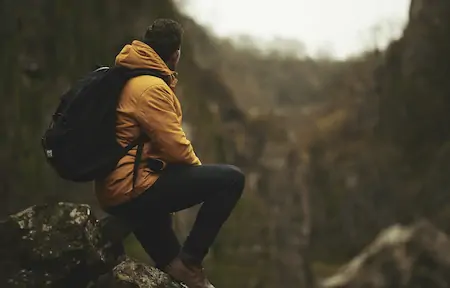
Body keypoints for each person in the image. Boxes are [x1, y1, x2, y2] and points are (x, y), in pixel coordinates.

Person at [94, 19, 245, 288]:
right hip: (134, 188)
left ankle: (184, 267)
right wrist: (197, 176)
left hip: (125, 187)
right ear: (175, 54)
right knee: (231, 179)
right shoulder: (150, 88)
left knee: (175, 274)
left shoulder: (131, 77)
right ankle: (191, 260)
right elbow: (175, 146)